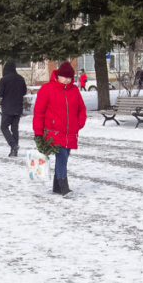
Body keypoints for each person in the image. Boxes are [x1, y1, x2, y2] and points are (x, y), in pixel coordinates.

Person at [32, 62, 87, 197]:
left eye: (69, 77)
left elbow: (82, 109)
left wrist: (78, 123)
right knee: (62, 157)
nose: (67, 79)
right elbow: (39, 112)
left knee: (64, 157)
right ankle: (64, 187)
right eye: (64, 76)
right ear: (58, 76)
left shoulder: (74, 90)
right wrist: (38, 133)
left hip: (70, 132)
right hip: (53, 132)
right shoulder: (47, 89)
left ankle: (56, 187)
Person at [0, 61, 28, 157]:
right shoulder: (21, 78)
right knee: (14, 128)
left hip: (7, 107)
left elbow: (0, 93)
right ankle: (14, 151)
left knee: (4, 127)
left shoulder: (4, 79)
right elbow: (24, 92)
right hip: (18, 106)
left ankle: (13, 145)